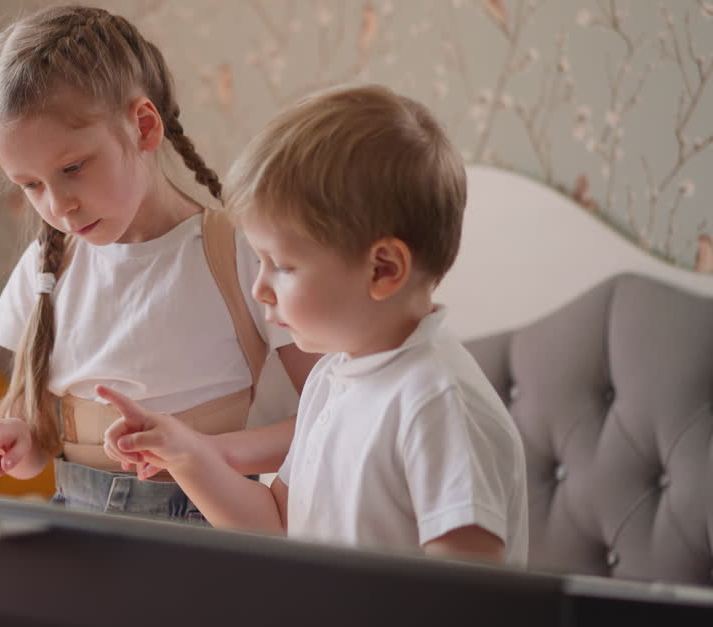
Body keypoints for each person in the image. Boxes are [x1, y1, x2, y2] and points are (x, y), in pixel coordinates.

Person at [101, 84, 529, 564]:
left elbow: (471, 604)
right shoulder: (332, 378)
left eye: (281, 265)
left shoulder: (438, 403)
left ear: (383, 269)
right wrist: (186, 456)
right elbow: (277, 523)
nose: (260, 288)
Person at [0, 4, 319, 524]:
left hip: (206, 528)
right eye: (31, 185)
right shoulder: (49, 264)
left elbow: (329, 415)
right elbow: (41, 440)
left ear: (144, 127)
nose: (57, 205)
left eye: (72, 168)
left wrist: (209, 455)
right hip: (77, 528)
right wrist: (17, 443)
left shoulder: (237, 252)